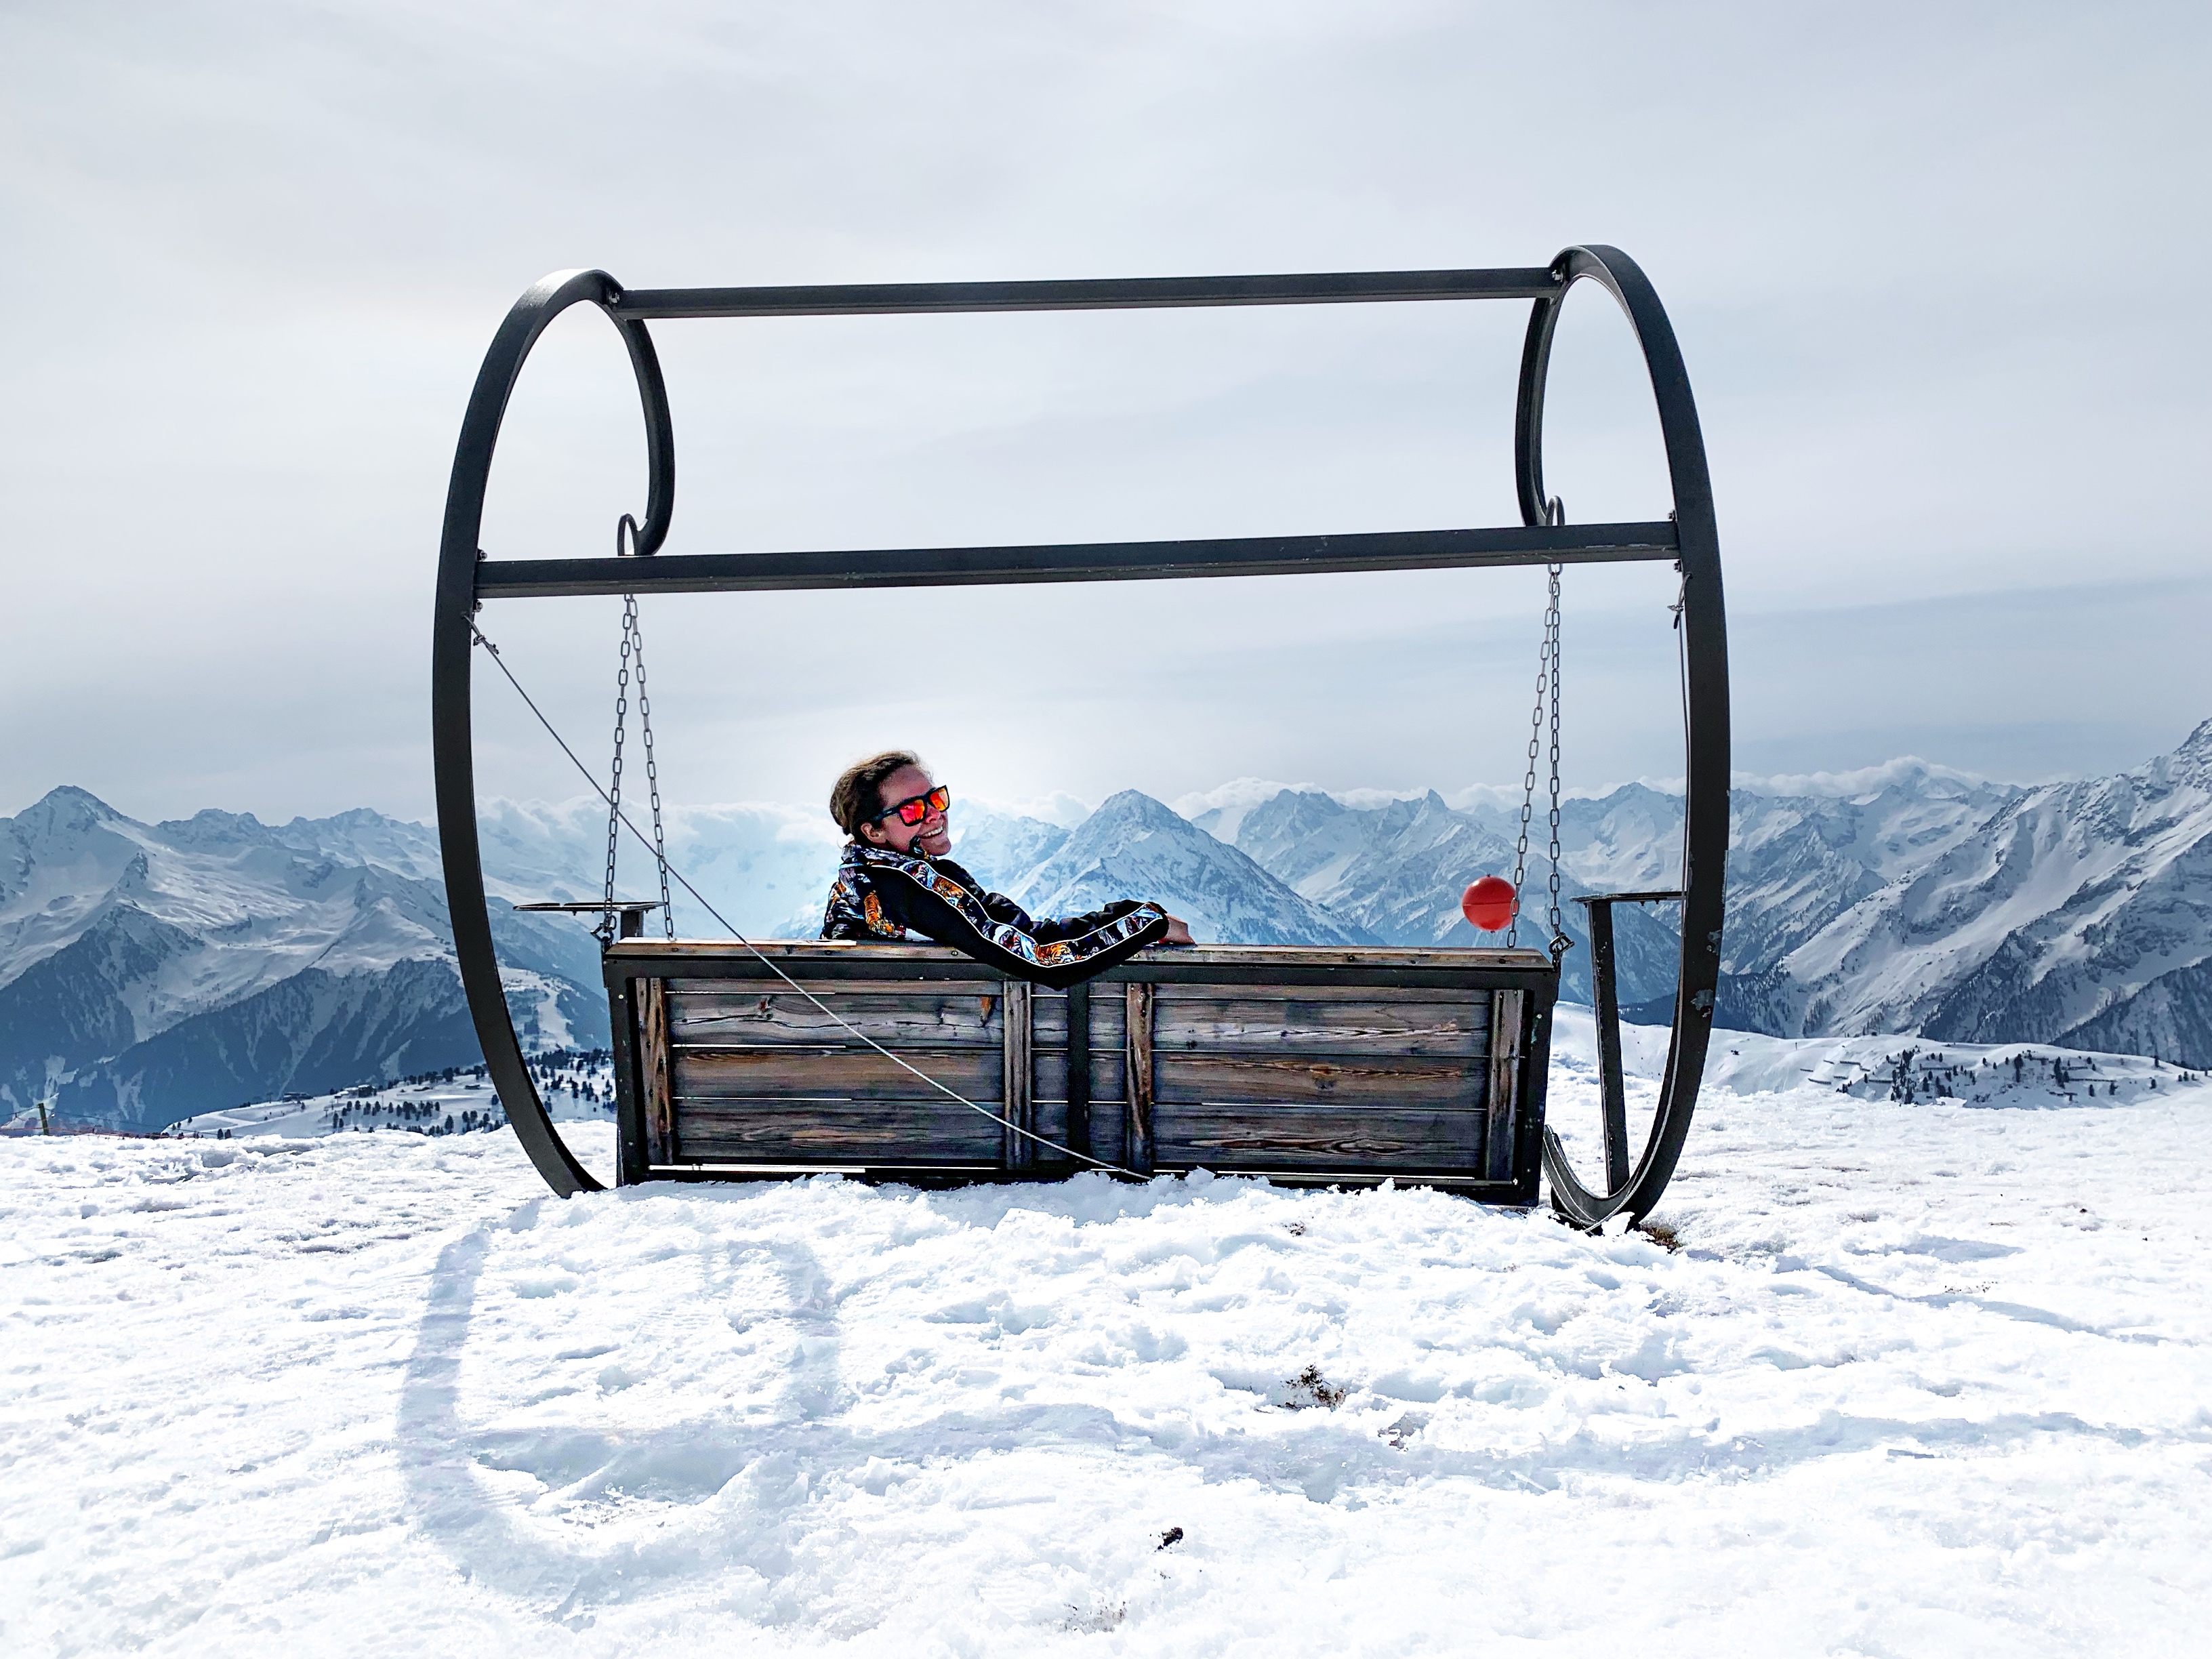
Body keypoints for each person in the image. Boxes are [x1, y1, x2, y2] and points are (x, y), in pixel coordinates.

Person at [820, 750, 1193, 987]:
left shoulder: (869, 876)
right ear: (874, 830)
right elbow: (1044, 959)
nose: (934, 814)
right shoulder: (902, 885)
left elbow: (1017, 932)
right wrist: (1147, 922)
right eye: (912, 809)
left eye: (935, 799)